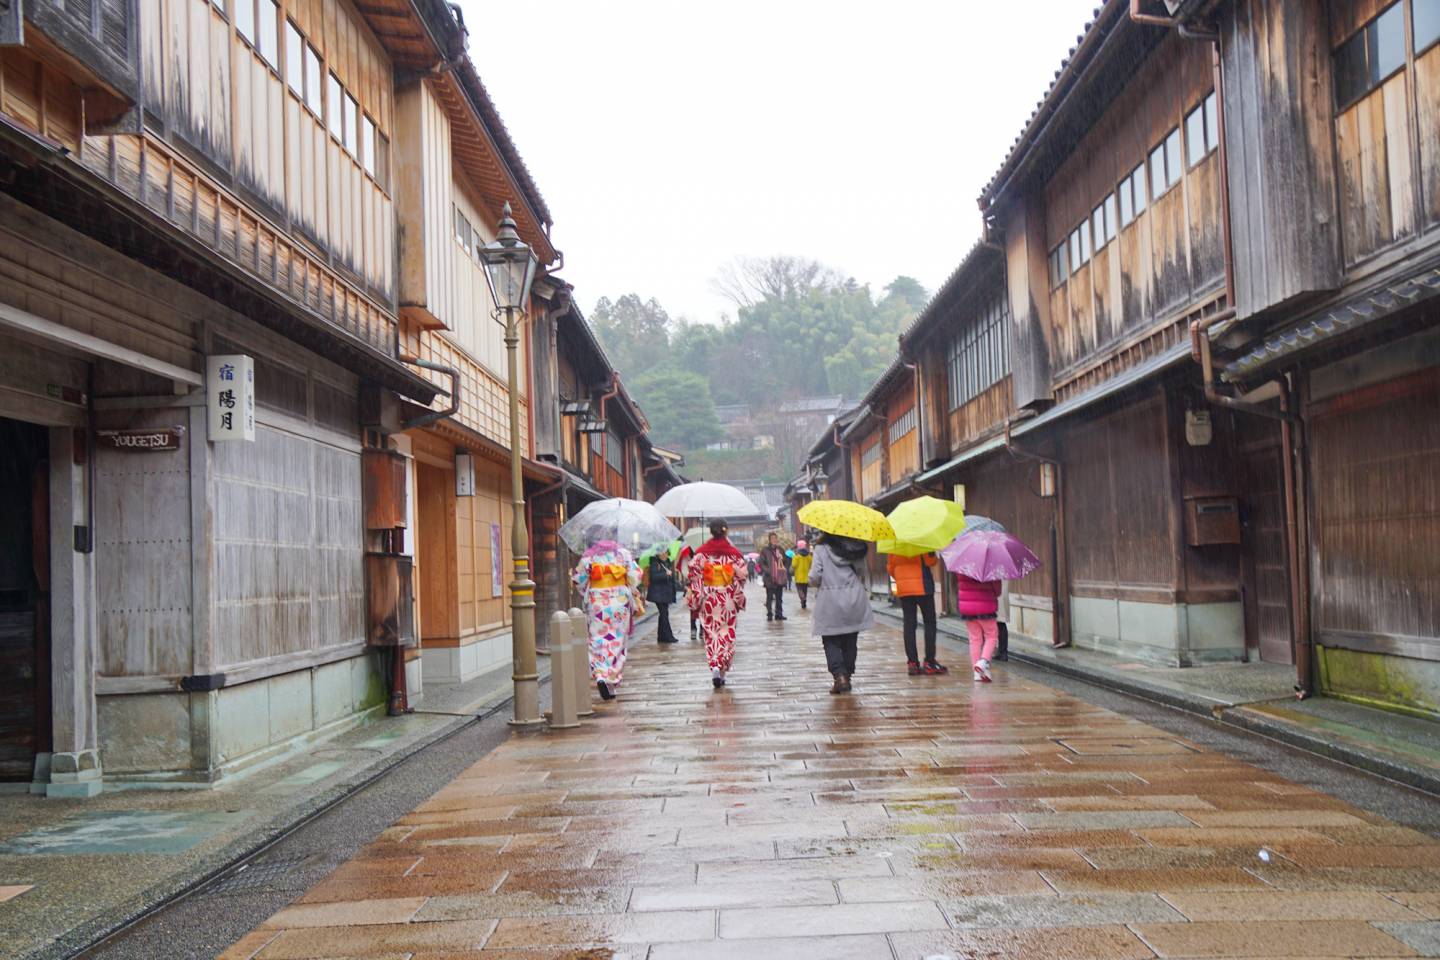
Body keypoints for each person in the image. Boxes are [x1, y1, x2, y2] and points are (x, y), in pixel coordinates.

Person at [572, 539, 642, 700]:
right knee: (617, 639)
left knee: (597, 639)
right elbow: (635, 576)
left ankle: (601, 674)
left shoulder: (589, 557)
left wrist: (591, 586)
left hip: (597, 602)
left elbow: (579, 580)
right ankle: (611, 678)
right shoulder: (623, 554)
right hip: (619, 602)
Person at [808, 532, 875, 694]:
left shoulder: (821, 549)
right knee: (850, 639)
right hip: (854, 597)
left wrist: (815, 582)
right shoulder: (856, 547)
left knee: (831, 640)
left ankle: (840, 676)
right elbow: (861, 571)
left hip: (830, 599)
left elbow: (815, 576)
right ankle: (848, 676)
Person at [687, 520, 749, 688]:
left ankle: (715, 665)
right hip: (727, 598)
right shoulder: (733, 553)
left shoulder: (701, 553)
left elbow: (693, 575)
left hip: (709, 598)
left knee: (711, 634)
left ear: (710, 532)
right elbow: (742, 575)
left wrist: (698, 596)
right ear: (726, 531)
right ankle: (722, 671)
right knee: (727, 633)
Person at [888, 551, 947, 676]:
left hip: (904, 589)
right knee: (929, 623)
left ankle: (912, 663)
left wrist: (902, 578)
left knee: (909, 625)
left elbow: (890, 568)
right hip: (923, 587)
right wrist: (932, 554)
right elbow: (930, 562)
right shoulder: (921, 540)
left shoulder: (894, 543)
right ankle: (930, 661)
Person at [956, 572, 1002, 682]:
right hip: (985, 605)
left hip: (967, 606)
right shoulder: (991, 567)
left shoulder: (962, 566)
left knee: (974, 639)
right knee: (992, 635)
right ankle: (983, 661)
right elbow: (998, 591)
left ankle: (977, 673)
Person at [645, 547, 679, 645]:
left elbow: (671, 578)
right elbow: (654, 577)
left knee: (664, 614)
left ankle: (661, 636)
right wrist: (666, 574)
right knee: (664, 614)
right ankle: (668, 636)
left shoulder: (667, 563)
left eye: (666, 553)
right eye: (662, 553)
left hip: (666, 593)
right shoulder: (655, 563)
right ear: (658, 554)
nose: (664, 555)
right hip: (658, 593)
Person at [758, 533, 789, 622]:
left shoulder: (780, 549)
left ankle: (779, 614)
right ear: (769, 540)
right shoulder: (765, 550)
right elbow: (761, 563)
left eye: (775, 538)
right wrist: (767, 571)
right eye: (772, 538)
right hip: (769, 578)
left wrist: (784, 569)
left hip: (779, 576)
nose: (774, 540)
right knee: (769, 597)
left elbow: (786, 561)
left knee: (779, 597)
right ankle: (769, 614)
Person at [677, 542, 699, 640]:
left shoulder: (703, 553)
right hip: (692, 585)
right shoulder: (687, 554)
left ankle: (703, 628)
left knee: (703, 607)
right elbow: (684, 570)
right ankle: (693, 629)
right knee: (693, 608)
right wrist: (692, 575)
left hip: (704, 584)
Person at [791, 540, 813, 609]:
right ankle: (804, 602)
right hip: (806, 576)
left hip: (798, 576)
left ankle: (802, 598)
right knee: (805, 589)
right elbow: (811, 565)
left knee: (799, 589)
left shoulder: (797, 556)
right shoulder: (809, 556)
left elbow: (794, 565)